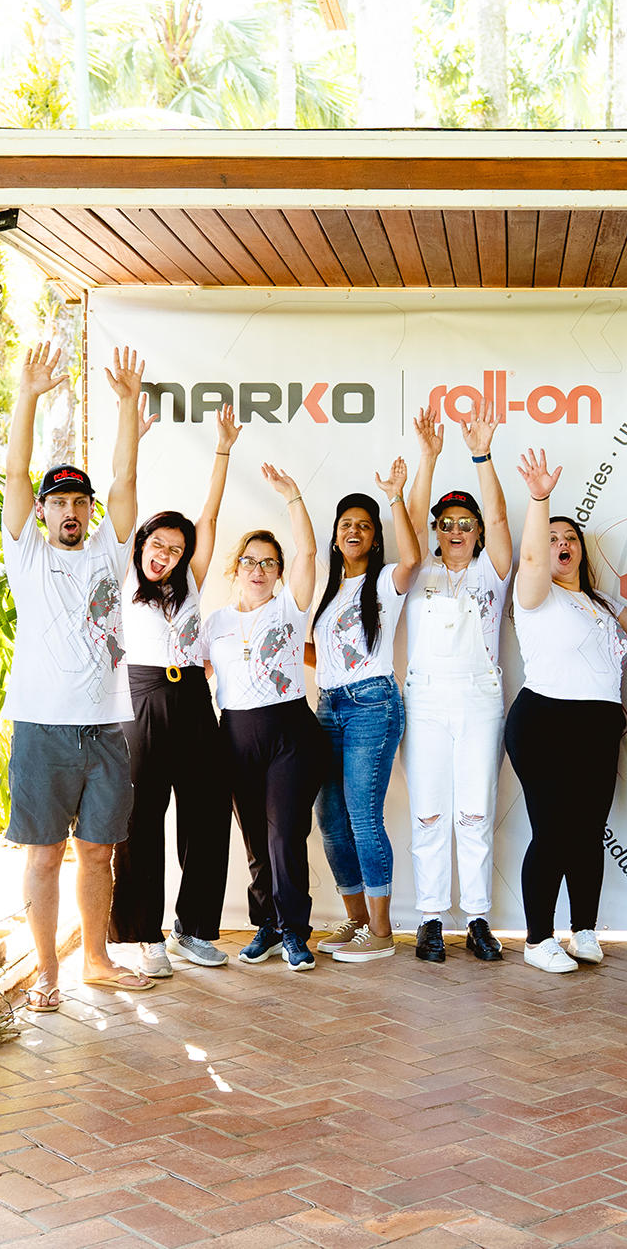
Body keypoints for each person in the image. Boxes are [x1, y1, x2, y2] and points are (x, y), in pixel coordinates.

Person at [0, 341, 154, 1011]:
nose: (70, 510)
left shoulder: (108, 553)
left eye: (78, 502)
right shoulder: (26, 554)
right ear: (42, 511)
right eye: (58, 501)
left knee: (97, 854)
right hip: (42, 728)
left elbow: (125, 477)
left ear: (89, 511)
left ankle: (94, 959)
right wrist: (28, 395)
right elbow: (14, 472)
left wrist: (127, 406)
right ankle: (45, 973)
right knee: (41, 855)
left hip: (104, 730)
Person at [110, 404, 241, 978]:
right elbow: (125, 489)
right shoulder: (121, 575)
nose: (165, 556)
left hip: (190, 697)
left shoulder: (188, 582)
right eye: (157, 545)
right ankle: (145, 935)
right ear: (142, 543)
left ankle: (193, 929)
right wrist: (131, 435)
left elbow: (209, 517)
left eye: (175, 550)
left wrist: (223, 448)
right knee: (142, 818)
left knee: (209, 811)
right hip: (140, 697)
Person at [507, 449, 627, 974]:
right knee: (554, 834)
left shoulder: (604, 604)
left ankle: (583, 929)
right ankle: (538, 939)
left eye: (570, 538)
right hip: (546, 722)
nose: (562, 544)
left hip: (599, 726)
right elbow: (532, 560)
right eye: (553, 538)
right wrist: (540, 500)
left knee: (588, 833)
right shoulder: (535, 594)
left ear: (582, 551)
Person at [401, 399, 514, 963]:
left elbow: (501, 520)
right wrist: (428, 458)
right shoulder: (417, 569)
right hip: (424, 697)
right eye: (445, 524)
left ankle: (476, 918)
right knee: (429, 812)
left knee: (474, 812)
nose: (455, 531)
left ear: (478, 533)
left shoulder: (493, 572)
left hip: (479, 698)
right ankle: (429, 918)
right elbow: (410, 522)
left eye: (465, 524)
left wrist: (481, 456)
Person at [204, 465, 326, 972]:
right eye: (250, 561)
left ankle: (295, 931)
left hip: (289, 734)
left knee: (284, 836)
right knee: (256, 839)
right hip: (235, 735)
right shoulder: (214, 623)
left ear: (278, 572)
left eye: (269, 563)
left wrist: (294, 495)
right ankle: (268, 927)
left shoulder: (289, 610)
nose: (258, 569)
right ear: (235, 568)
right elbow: (195, 674)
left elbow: (309, 554)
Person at [308, 461, 421, 963]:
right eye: (346, 524)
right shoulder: (330, 591)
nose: (353, 531)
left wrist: (395, 495)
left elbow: (413, 558)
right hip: (327, 705)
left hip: (372, 704)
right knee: (330, 817)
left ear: (375, 538)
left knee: (363, 816)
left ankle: (380, 931)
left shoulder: (386, 583)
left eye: (364, 526)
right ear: (336, 537)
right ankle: (355, 920)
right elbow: (324, 654)